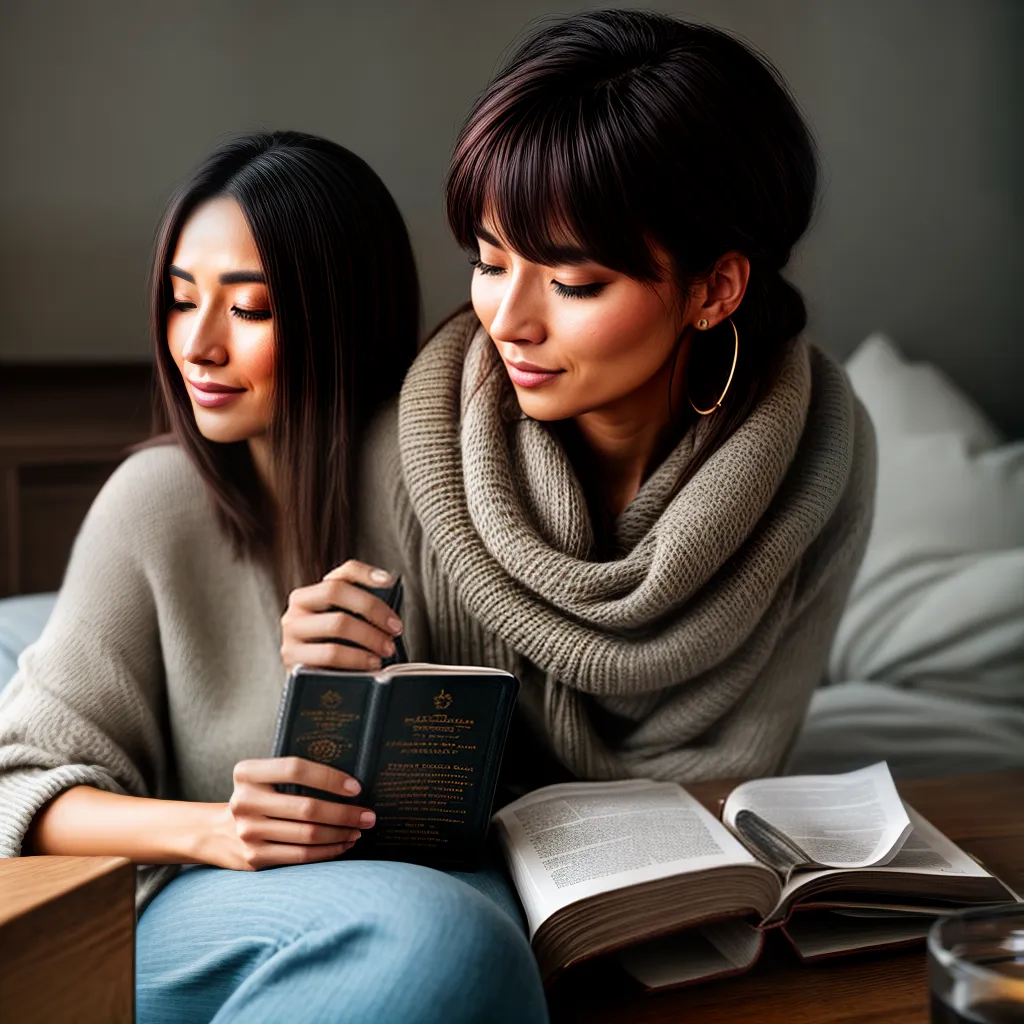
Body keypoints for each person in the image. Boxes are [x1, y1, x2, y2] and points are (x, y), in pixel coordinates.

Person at [0, 132, 548, 1023]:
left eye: (249, 310)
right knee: (444, 936)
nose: (198, 345)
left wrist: (380, 680)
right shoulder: (154, 501)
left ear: (343, 317)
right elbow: (16, 784)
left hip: (431, 887)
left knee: (472, 930)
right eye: (181, 301)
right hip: (200, 906)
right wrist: (218, 827)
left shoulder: (451, 482)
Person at [282, 11, 876, 795]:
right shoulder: (410, 449)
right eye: (489, 263)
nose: (507, 321)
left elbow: (747, 760)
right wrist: (324, 671)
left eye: (574, 284)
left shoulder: (820, 450)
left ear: (714, 290)